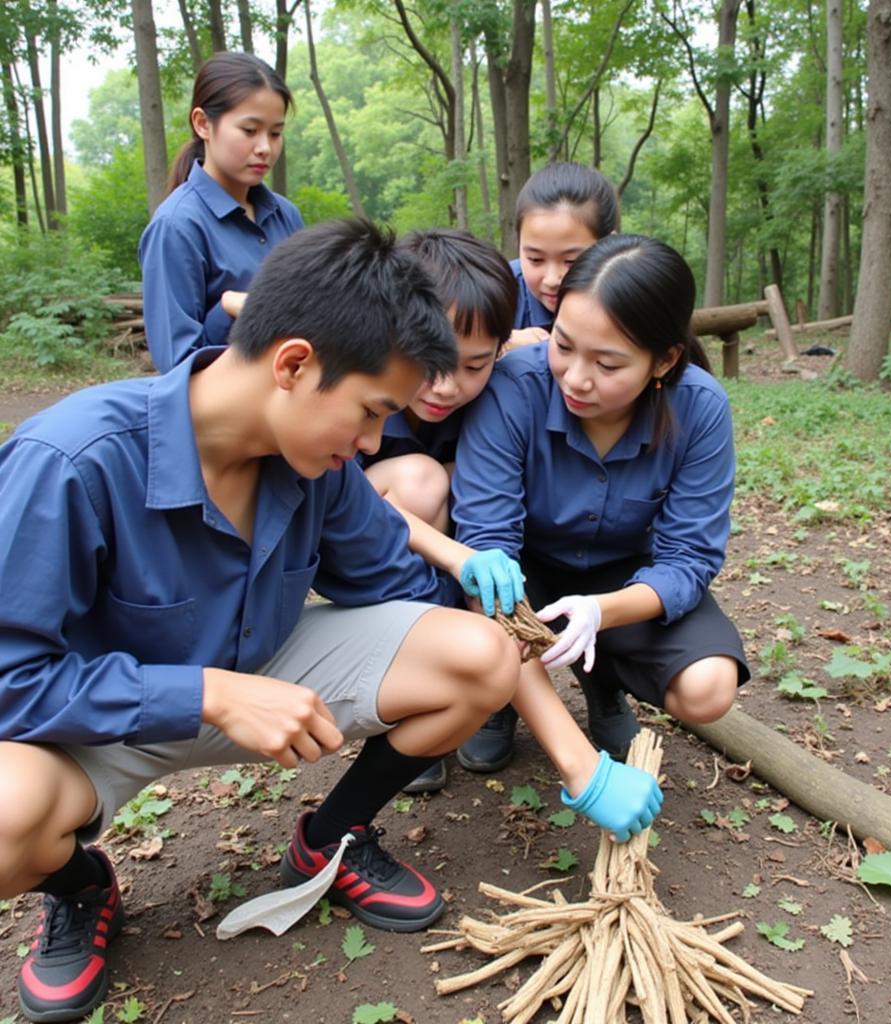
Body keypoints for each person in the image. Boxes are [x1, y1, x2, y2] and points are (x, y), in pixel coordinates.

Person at [0, 219, 532, 1024]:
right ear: (293, 364)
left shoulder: (317, 462)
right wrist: (207, 694)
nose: (371, 441)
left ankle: (333, 836)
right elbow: (11, 683)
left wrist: (524, 648)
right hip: (99, 722)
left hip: (265, 669)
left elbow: (402, 591)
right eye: (369, 412)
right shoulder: (72, 462)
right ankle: (78, 885)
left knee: (475, 655)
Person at [451, 234, 751, 779]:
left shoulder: (700, 409)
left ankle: (603, 681)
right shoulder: (512, 390)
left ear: (664, 361)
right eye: (563, 346)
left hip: (624, 578)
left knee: (708, 688)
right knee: (487, 602)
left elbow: (690, 558)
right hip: (524, 575)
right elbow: (487, 539)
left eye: (608, 364)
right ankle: (499, 697)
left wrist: (600, 612)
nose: (575, 377)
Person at [360, 228, 517, 793]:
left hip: (467, 559)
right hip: (374, 550)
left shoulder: (507, 394)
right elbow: (343, 504)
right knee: (426, 481)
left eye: (475, 366)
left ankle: (489, 693)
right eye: (434, 360)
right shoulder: (360, 391)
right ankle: (408, 695)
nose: (447, 386)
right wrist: (453, 554)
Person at [138, 52, 303, 373]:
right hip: (223, 418)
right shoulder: (176, 226)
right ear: (203, 124)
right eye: (249, 130)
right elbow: (178, 365)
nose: (265, 148)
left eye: (275, 133)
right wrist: (228, 308)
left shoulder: (286, 216)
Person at [507, 161, 619, 351]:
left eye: (571, 261)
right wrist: (499, 343)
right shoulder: (497, 292)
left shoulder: (634, 298)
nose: (552, 280)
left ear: (610, 246)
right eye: (535, 259)